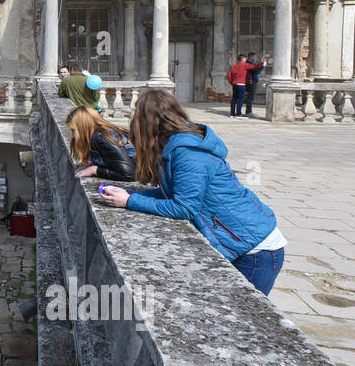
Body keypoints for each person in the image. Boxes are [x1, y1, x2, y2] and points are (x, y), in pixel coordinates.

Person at [98, 89, 286, 296]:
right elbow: (174, 194)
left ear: (147, 122)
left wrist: (130, 201)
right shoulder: (174, 147)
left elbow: (184, 207)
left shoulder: (188, 153)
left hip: (255, 249)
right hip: (240, 242)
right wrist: (131, 196)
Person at [66, 106, 136, 182]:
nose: (72, 136)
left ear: (83, 128)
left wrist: (94, 170)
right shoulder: (101, 134)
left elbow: (128, 174)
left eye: (74, 130)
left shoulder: (101, 138)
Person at [243, 52, 265, 117]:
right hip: (251, 82)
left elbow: (256, 69)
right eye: (255, 57)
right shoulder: (249, 64)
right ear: (251, 57)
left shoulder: (251, 63)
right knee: (250, 98)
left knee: (250, 97)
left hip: (252, 82)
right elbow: (255, 71)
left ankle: (248, 111)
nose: (256, 58)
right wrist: (263, 66)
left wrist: (261, 65)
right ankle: (248, 112)